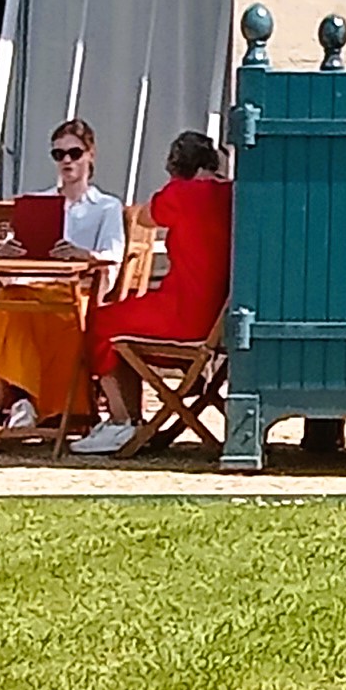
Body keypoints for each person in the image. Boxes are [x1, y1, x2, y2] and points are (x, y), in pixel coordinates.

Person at [0, 119, 121, 441]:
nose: (66, 160)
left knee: (9, 309)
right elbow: (7, 262)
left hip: (71, 296)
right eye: (58, 154)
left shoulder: (106, 207)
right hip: (28, 292)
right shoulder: (39, 203)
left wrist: (82, 255)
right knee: (14, 305)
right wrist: (5, 252)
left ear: (90, 155)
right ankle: (16, 403)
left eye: (74, 153)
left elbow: (113, 257)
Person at [73, 131, 231, 457]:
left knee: (103, 321)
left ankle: (122, 421)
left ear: (176, 167)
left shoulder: (181, 193)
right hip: (222, 320)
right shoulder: (232, 194)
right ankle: (131, 422)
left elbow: (145, 218)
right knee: (123, 325)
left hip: (184, 313)